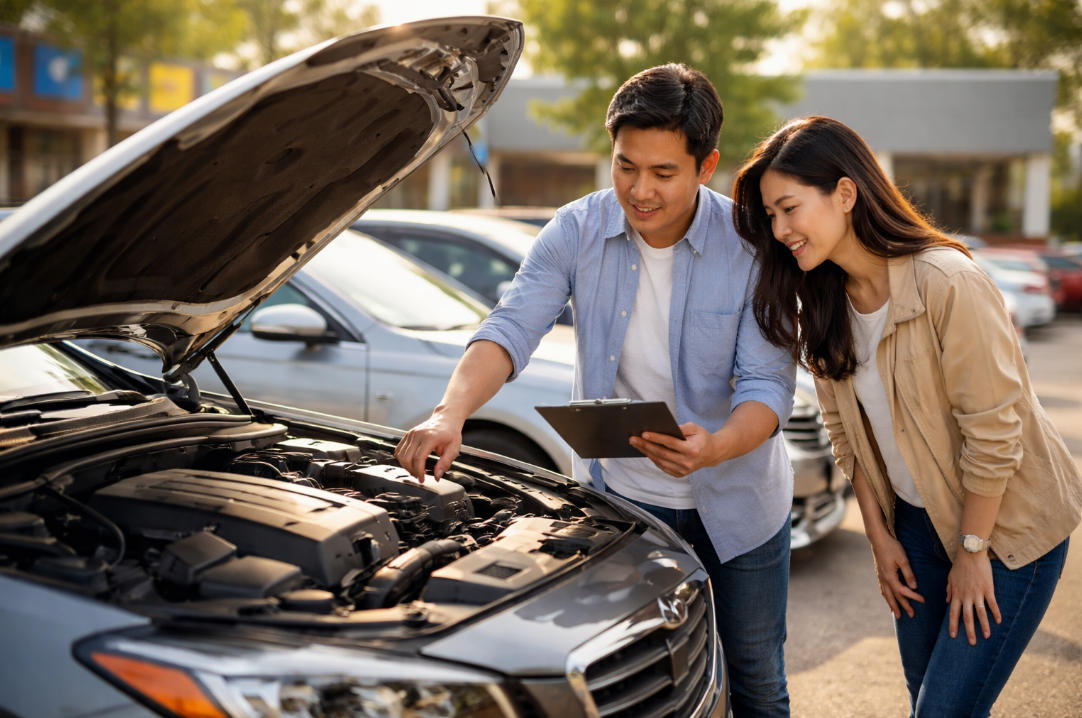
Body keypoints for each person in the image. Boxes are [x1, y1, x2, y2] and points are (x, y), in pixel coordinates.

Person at [395, 63, 796, 717]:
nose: (639, 190)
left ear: (706, 165)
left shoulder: (753, 245)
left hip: (740, 506)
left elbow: (768, 385)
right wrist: (450, 413)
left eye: (663, 173)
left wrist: (716, 446)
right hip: (624, 502)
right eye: (624, 166)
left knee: (755, 677)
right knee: (634, 680)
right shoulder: (576, 230)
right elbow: (509, 329)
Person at [731, 114, 1082, 718]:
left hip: (1007, 533)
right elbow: (849, 438)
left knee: (940, 711)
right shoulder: (822, 303)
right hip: (915, 530)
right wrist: (878, 536)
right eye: (770, 216)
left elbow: (995, 432)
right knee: (931, 700)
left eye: (789, 208)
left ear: (845, 193)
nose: (780, 228)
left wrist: (974, 552)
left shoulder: (947, 281)